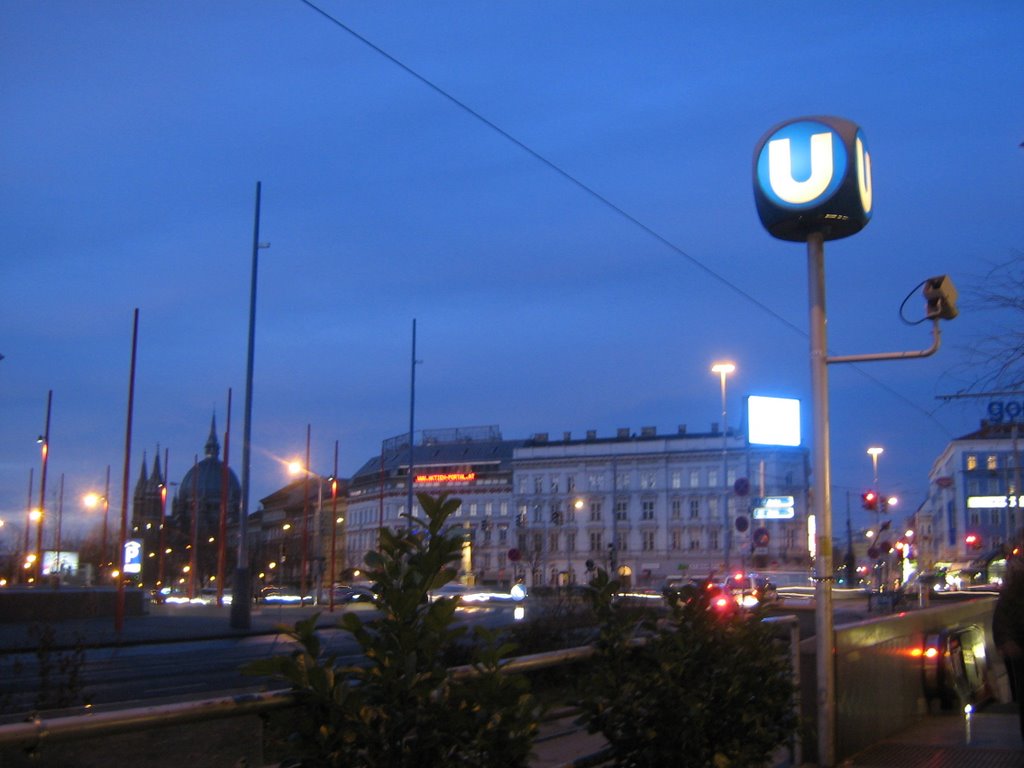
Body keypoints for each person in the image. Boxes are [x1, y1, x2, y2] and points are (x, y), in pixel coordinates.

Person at [993, 549, 1024, 741]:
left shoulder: (1012, 588)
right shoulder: (1015, 587)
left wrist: (1006, 641)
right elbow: (1003, 617)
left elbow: (1002, 618)